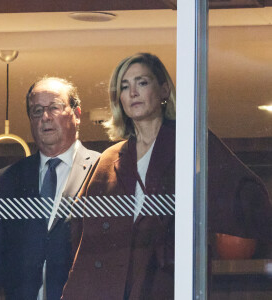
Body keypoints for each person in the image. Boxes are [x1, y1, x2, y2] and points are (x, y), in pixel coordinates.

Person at [61, 53, 272, 300]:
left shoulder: (190, 144)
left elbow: (249, 201)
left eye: (142, 82)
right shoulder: (109, 159)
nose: (133, 93)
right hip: (109, 290)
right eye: (124, 86)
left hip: (166, 286)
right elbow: (82, 237)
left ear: (163, 90)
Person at [0, 77, 100, 300]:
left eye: (54, 107)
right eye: (37, 111)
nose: (45, 117)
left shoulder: (103, 170)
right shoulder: (9, 178)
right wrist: (22, 285)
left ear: (77, 114)